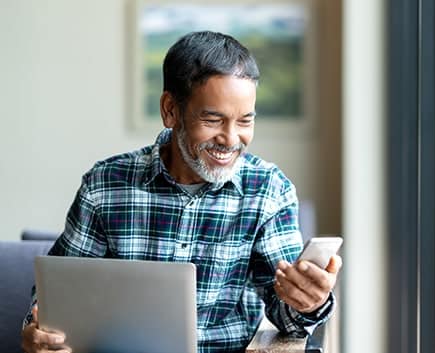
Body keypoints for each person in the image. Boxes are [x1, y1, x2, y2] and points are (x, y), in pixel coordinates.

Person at [21, 31, 342, 353]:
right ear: (171, 110)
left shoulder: (269, 190)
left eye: (245, 121)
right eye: (213, 119)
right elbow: (59, 296)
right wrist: (38, 331)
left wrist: (309, 302)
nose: (231, 139)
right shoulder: (105, 185)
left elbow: (286, 318)